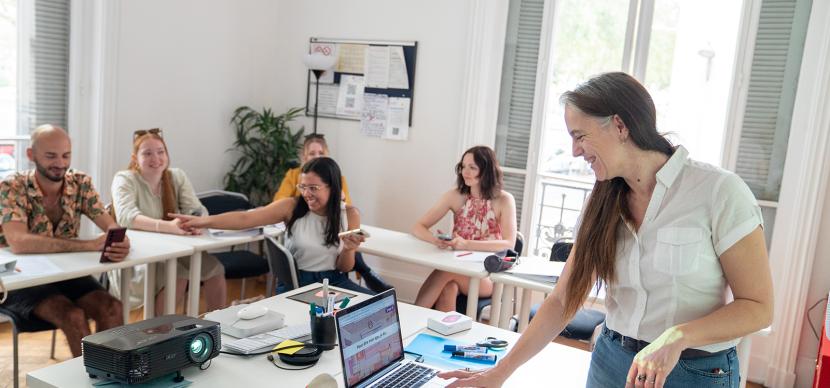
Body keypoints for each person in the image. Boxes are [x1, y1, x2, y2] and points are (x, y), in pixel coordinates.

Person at [440, 72, 773, 388]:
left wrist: (679, 335)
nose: (574, 151)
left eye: (580, 136)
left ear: (619, 126)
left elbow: (758, 306)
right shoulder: (600, 204)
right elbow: (562, 300)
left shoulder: (718, 192)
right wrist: (500, 373)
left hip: (694, 370)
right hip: (613, 361)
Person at [0, 124, 130, 357]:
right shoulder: (12, 186)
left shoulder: (81, 183)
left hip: (64, 272)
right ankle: (87, 380)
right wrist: (88, 245)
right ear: (31, 155)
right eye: (50, 156)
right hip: (19, 278)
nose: (60, 163)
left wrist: (120, 240)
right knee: (73, 316)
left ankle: (110, 375)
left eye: (65, 155)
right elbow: (18, 242)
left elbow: (111, 226)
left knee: (112, 308)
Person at [174, 157, 374, 295]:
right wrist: (204, 221)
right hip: (299, 283)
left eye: (314, 188)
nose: (307, 194)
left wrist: (348, 249)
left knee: (378, 307)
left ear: (333, 187)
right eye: (303, 187)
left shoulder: (349, 215)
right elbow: (246, 219)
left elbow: (344, 267)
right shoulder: (291, 206)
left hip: (334, 282)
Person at [111, 128, 226, 315]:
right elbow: (126, 217)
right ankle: (161, 335)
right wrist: (168, 227)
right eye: (147, 153)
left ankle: (217, 329)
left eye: (160, 152)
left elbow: (195, 209)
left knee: (215, 269)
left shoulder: (176, 176)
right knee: (177, 274)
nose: (155, 158)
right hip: (138, 255)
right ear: (135, 158)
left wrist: (196, 222)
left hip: (174, 249)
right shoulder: (124, 179)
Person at [273, 134, 391, 293]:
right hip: (306, 253)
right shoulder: (294, 177)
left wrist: (334, 200)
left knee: (346, 242)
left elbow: (346, 209)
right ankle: (365, 271)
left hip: (332, 258)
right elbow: (279, 200)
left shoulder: (336, 180)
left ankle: (365, 271)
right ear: (304, 157)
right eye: (312, 154)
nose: (317, 157)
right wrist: (307, 195)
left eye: (320, 153)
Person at [412, 146, 517, 312]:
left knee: (444, 272)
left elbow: (509, 244)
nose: (465, 172)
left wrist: (466, 244)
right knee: (449, 288)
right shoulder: (455, 195)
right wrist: (435, 240)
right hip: (458, 267)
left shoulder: (504, 199)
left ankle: (409, 317)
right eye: (463, 166)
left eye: (472, 167)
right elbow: (418, 227)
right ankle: (446, 337)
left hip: (489, 275)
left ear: (487, 170)